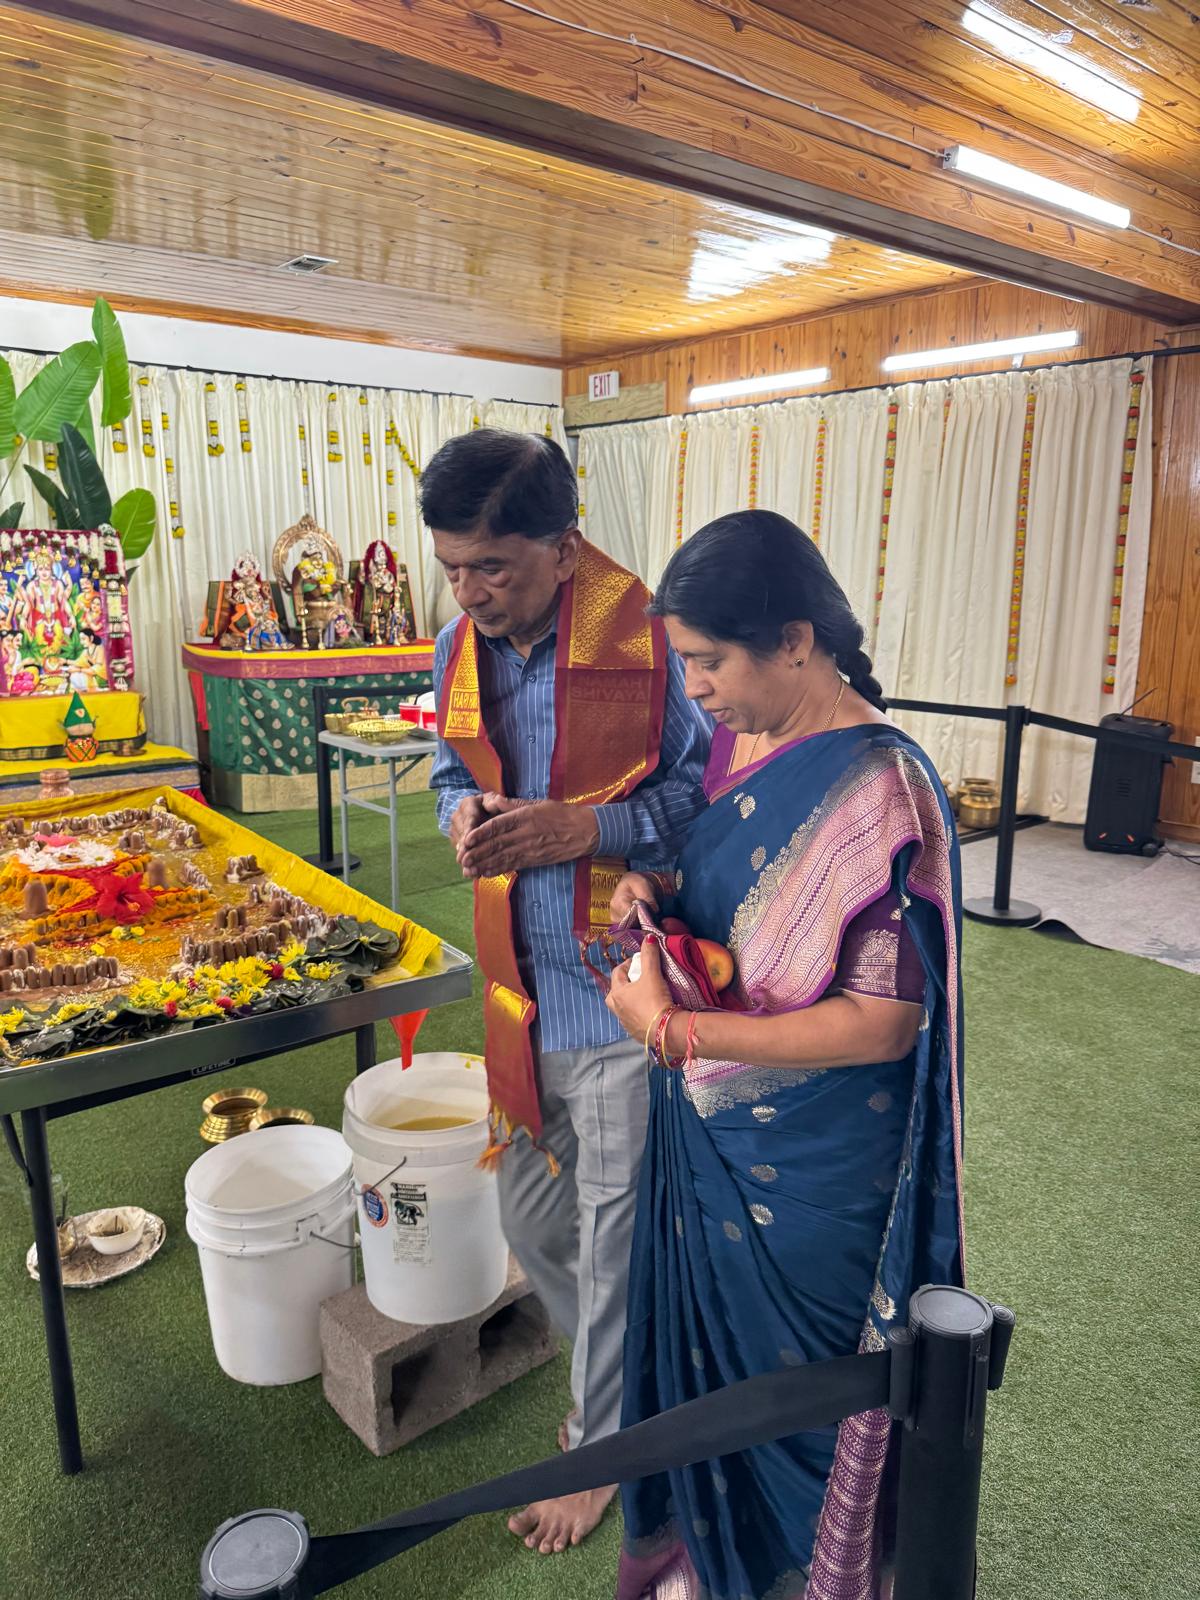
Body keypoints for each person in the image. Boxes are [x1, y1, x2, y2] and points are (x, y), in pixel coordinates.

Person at [605, 510, 965, 1600]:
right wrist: (654, 890)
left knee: (795, 1382)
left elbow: (881, 1023)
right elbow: (714, 876)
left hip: (812, 1166)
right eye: (688, 665)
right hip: (708, 1131)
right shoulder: (737, 740)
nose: (697, 690)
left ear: (797, 639)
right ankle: (708, 1567)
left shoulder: (879, 788)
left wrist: (676, 1032)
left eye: (710, 663)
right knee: (709, 1369)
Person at [422, 429, 711, 1555]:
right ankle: (617, 1378)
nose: (470, 591)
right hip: (514, 991)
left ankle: (600, 1446)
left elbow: (708, 785)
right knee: (531, 1218)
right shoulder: (456, 643)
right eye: (453, 566)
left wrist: (592, 827)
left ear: (564, 542)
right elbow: (451, 765)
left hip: (616, 994)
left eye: (493, 566)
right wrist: (462, 813)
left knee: (612, 1236)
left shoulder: (648, 638)